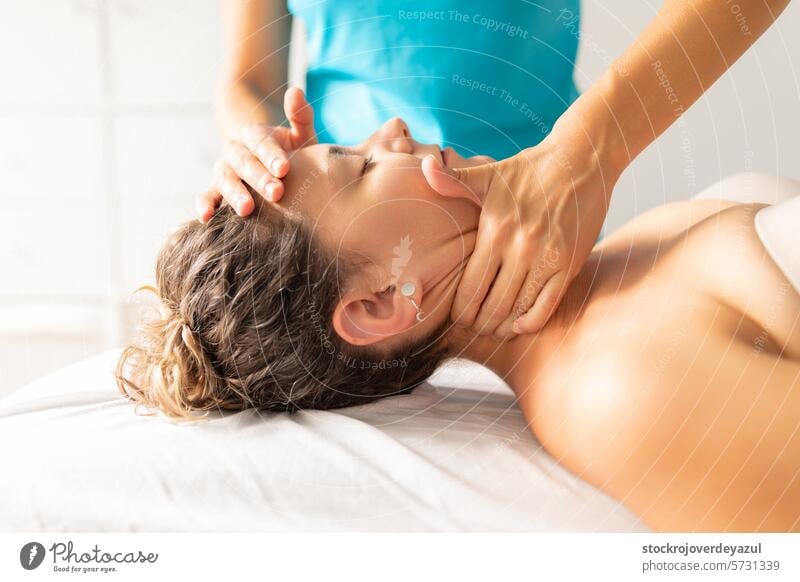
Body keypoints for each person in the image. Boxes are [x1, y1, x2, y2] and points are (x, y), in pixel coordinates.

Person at [120, 119, 800, 531]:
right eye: (360, 166)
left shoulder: (606, 272)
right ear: (378, 304)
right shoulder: (615, 391)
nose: (391, 130)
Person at [196, 0, 791, 340]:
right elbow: (249, 77)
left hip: (548, 217)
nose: (398, 130)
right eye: (360, 160)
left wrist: (587, 152)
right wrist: (266, 157)